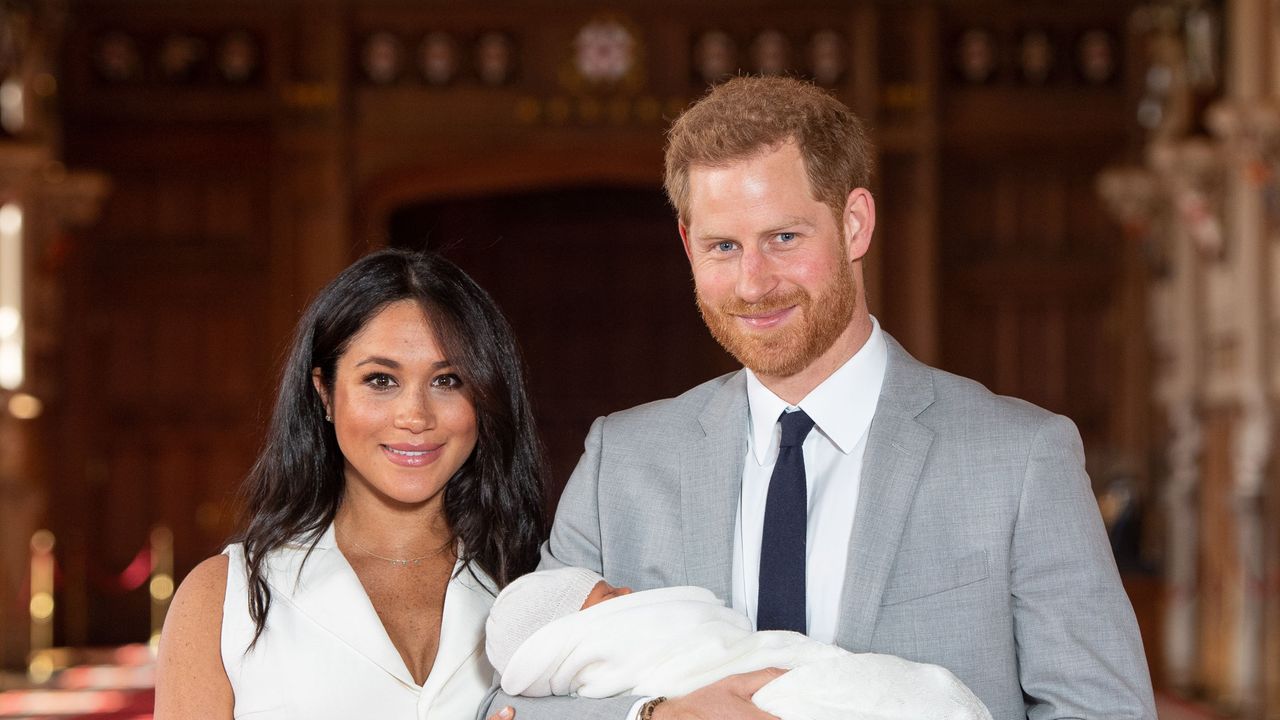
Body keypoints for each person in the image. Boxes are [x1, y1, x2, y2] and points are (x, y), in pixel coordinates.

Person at [485, 76, 1157, 720]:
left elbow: (1105, 710)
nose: (753, 283)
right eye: (723, 246)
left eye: (783, 237)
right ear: (689, 246)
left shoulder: (1019, 458)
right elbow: (511, 701)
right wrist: (655, 715)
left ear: (855, 224)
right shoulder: (622, 463)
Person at [155, 249, 544, 720]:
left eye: (448, 380)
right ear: (324, 393)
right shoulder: (223, 600)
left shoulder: (535, 589)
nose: (415, 416)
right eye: (381, 380)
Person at [484, 567, 993, 720]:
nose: (631, 595)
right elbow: (506, 707)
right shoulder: (613, 453)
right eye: (613, 595)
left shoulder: (1030, 446)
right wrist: (656, 715)